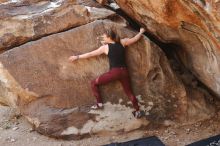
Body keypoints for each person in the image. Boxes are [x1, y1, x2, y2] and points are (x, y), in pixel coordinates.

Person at [69, 27, 146, 118]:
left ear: (109, 37)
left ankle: (99, 103)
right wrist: (140, 32)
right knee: (129, 92)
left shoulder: (105, 48)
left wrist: (77, 57)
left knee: (93, 83)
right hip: (124, 72)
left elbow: (90, 54)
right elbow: (134, 39)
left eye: (104, 37)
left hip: (115, 72)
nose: (103, 38)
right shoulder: (122, 42)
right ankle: (137, 111)